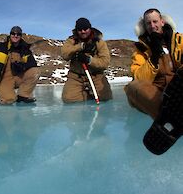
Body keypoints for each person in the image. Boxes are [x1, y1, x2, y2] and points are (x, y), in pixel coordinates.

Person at [124, 8, 183, 155]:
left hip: (178, 91)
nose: (152, 25)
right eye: (148, 23)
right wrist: (154, 56)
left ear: (162, 22)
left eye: (155, 21)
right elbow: (139, 77)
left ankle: (177, 114)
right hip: (157, 94)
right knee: (133, 86)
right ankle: (172, 117)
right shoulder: (140, 50)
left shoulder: (179, 40)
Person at [61, 17, 112, 103]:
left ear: (90, 28)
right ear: (76, 30)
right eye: (80, 29)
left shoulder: (99, 42)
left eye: (85, 29)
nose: (83, 31)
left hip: (96, 76)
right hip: (76, 77)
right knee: (69, 100)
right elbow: (64, 54)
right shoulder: (71, 40)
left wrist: (89, 60)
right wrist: (80, 47)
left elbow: (105, 62)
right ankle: (85, 94)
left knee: (106, 98)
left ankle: (88, 93)